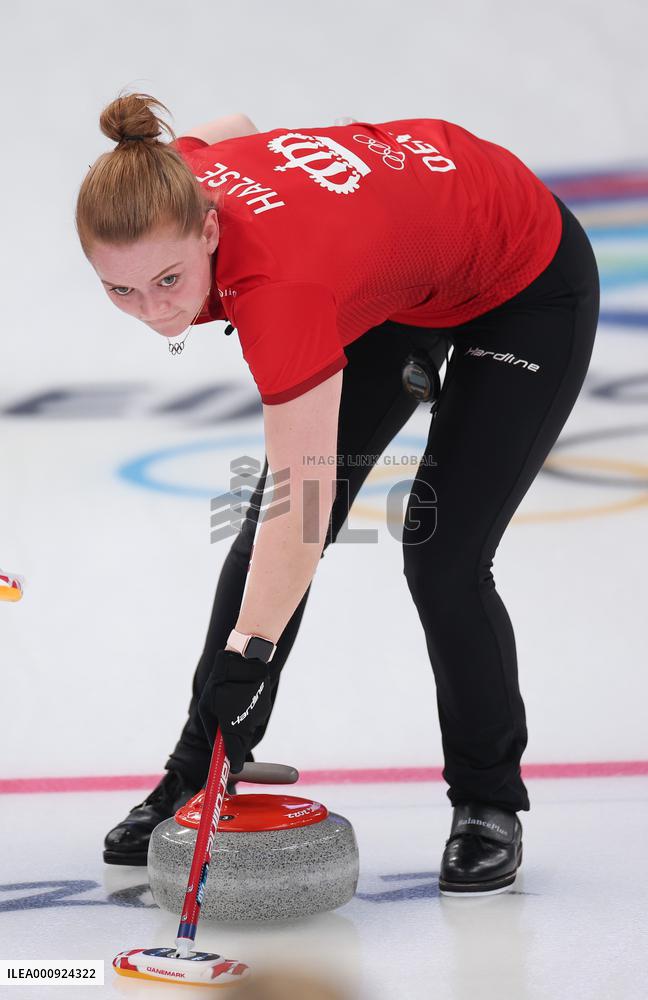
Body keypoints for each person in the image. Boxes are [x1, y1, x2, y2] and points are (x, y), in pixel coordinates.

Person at [76, 92, 599, 895]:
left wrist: (241, 660)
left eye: (170, 279)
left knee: (442, 557)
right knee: (265, 536)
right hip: (411, 272)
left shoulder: (280, 294)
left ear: (209, 227)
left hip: (523, 275)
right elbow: (237, 129)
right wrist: (238, 679)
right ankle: (199, 775)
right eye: (122, 292)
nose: (156, 312)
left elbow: (305, 510)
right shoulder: (163, 178)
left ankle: (489, 802)